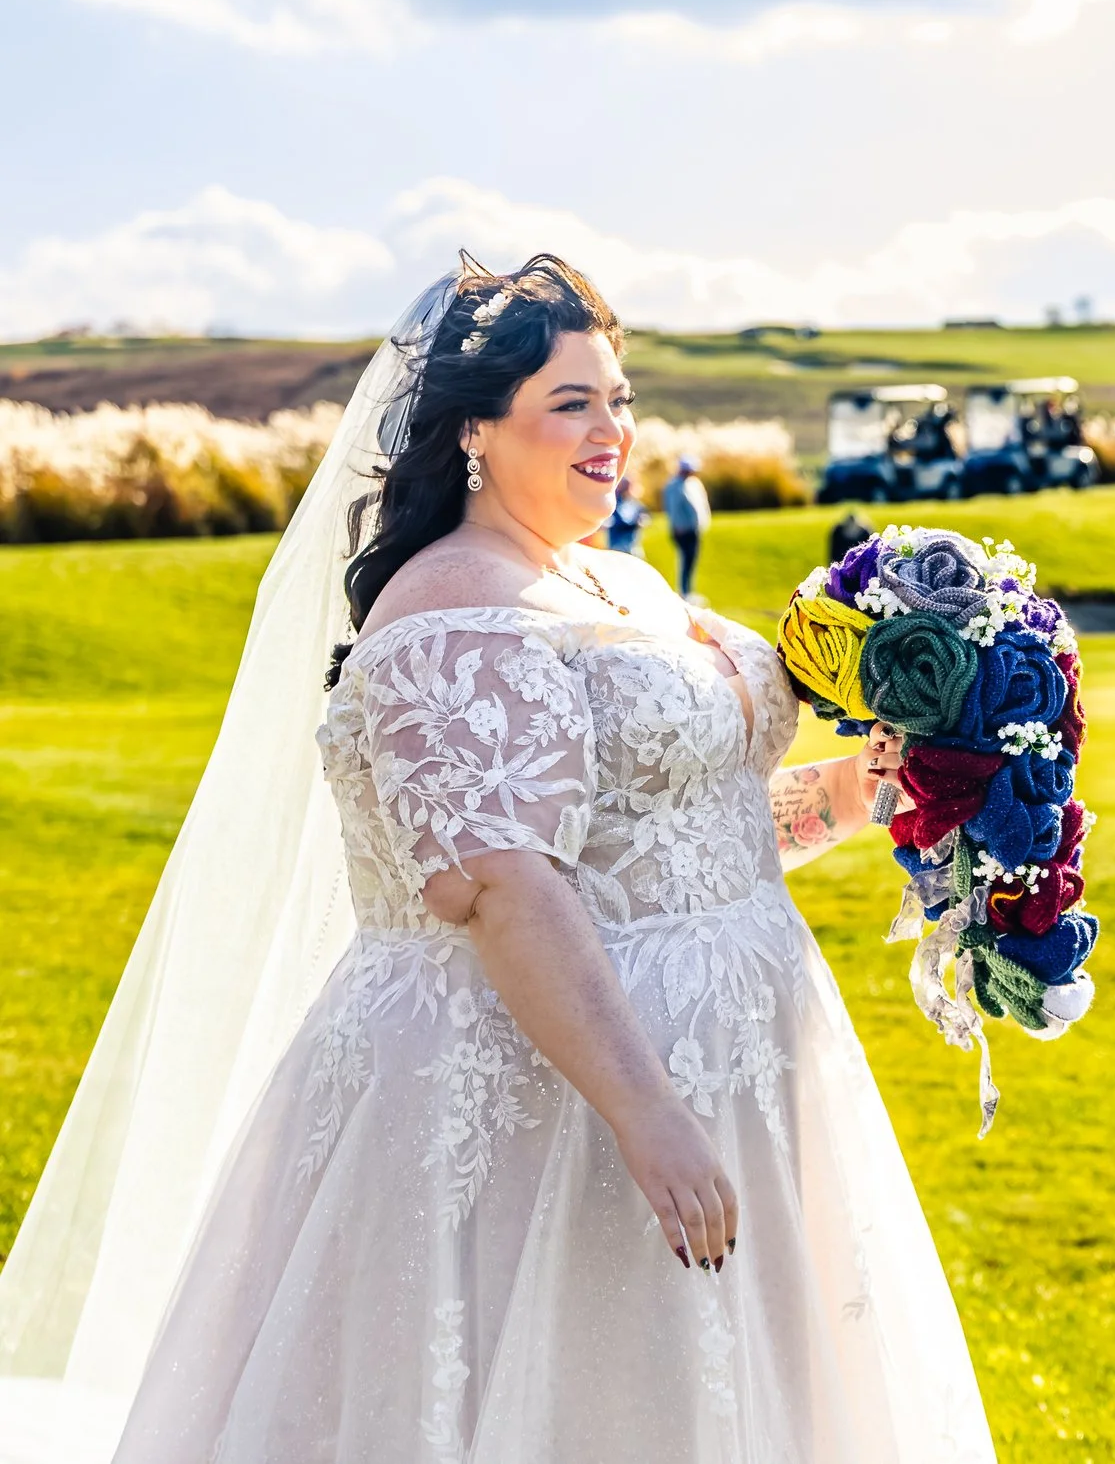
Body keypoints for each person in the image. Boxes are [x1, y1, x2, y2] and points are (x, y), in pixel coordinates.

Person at [0, 256, 992, 1462]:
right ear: (476, 428)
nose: (612, 431)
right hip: (547, 1094)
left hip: (733, 1060)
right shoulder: (453, 609)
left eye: (618, 398)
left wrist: (864, 787)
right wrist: (646, 1112)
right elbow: (509, 885)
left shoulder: (612, 575)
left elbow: (683, 832)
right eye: (572, 402)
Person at [663, 455, 710, 598]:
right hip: (682, 530)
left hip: (694, 529)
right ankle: (684, 592)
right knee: (685, 560)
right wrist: (678, 527)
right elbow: (674, 509)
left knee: (691, 560)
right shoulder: (674, 486)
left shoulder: (693, 483)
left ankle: (689, 591)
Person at [605, 471, 647, 556]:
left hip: (632, 545)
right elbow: (621, 521)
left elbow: (644, 515)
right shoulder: (614, 503)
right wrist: (635, 523)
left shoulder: (635, 503)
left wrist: (642, 520)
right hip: (617, 546)